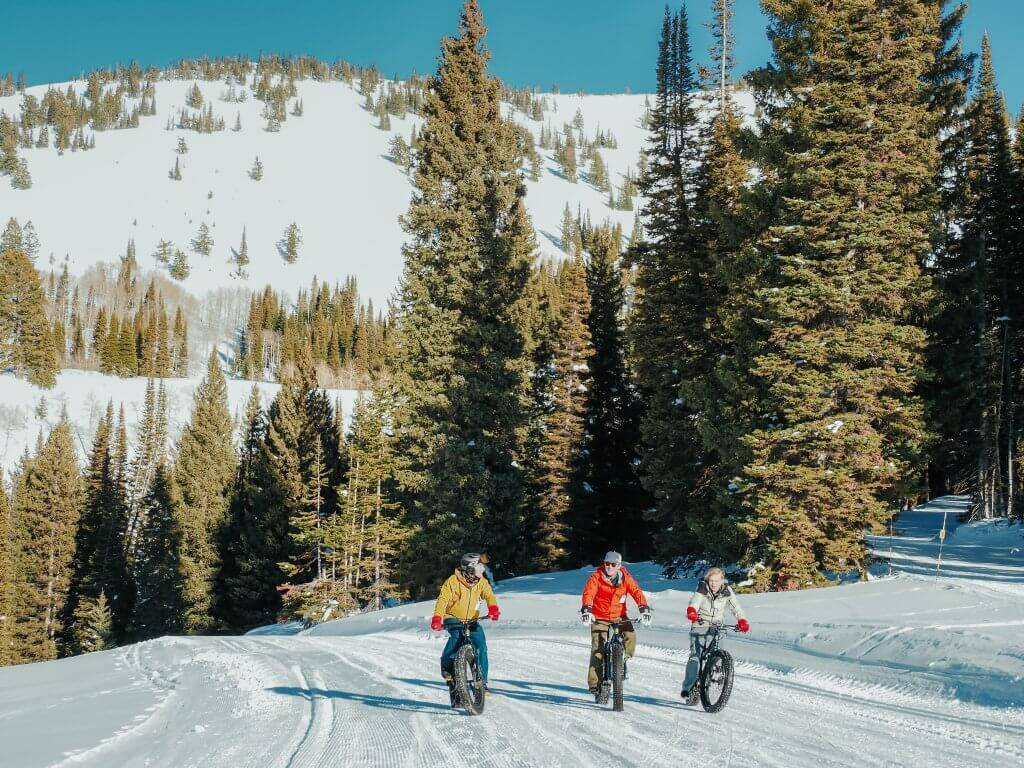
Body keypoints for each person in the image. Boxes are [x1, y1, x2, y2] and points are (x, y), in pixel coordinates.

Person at [430, 552, 500, 706]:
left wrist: (493, 609)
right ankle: (447, 666)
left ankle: (481, 680)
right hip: (453, 617)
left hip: (472, 619)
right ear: (470, 568)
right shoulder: (453, 581)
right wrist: (437, 618)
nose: (482, 569)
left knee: (480, 644)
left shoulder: (481, 581)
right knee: (456, 638)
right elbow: (443, 600)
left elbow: (489, 595)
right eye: (479, 566)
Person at [579, 551, 652, 696]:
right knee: (597, 648)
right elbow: (588, 593)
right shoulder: (596, 577)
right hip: (599, 617)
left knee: (630, 636)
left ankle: (621, 659)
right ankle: (594, 684)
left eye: (613, 564)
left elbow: (636, 591)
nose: (609, 567)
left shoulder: (625, 577)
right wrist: (587, 610)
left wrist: (644, 608)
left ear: (619, 565)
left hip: (619, 616)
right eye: (607, 563)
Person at [680, 566, 749, 700]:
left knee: (718, 653)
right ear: (707, 580)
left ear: (722, 580)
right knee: (696, 657)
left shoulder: (726, 590)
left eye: (716, 581)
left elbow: (736, 606)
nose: (714, 584)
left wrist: (742, 620)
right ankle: (688, 688)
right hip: (700, 623)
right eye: (711, 580)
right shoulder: (702, 588)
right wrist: (692, 611)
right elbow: (695, 602)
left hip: (717, 625)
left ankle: (715, 673)